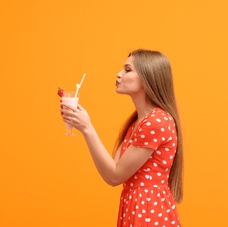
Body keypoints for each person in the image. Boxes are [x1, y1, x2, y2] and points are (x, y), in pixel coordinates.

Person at [60, 49, 183, 227]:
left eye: (127, 70)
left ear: (147, 78)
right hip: (135, 205)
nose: (118, 74)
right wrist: (84, 127)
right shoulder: (136, 123)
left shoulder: (157, 121)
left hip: (148, 209)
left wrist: (87, 128)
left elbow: (115, 176)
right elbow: (112, 172)